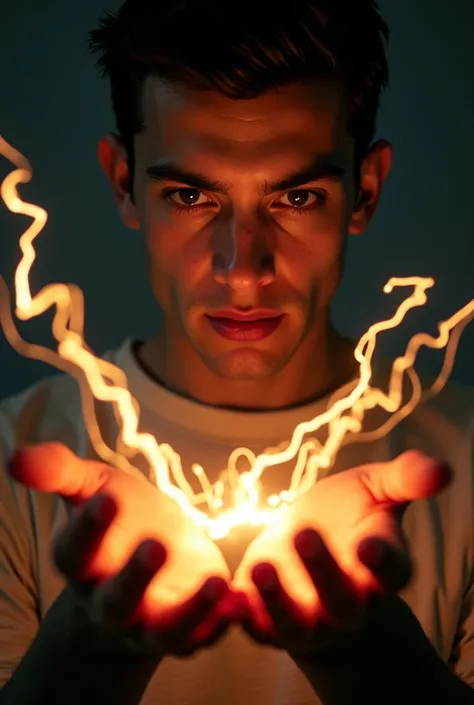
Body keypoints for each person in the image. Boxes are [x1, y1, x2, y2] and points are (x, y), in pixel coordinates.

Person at [0, 0, 473, 703]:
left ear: (364, 191)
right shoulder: (14, 467)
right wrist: (90, 652)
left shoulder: (466, 462)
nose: (244, 268)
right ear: (123, 182)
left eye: (298, 197)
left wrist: (368, 658)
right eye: (191, 195)